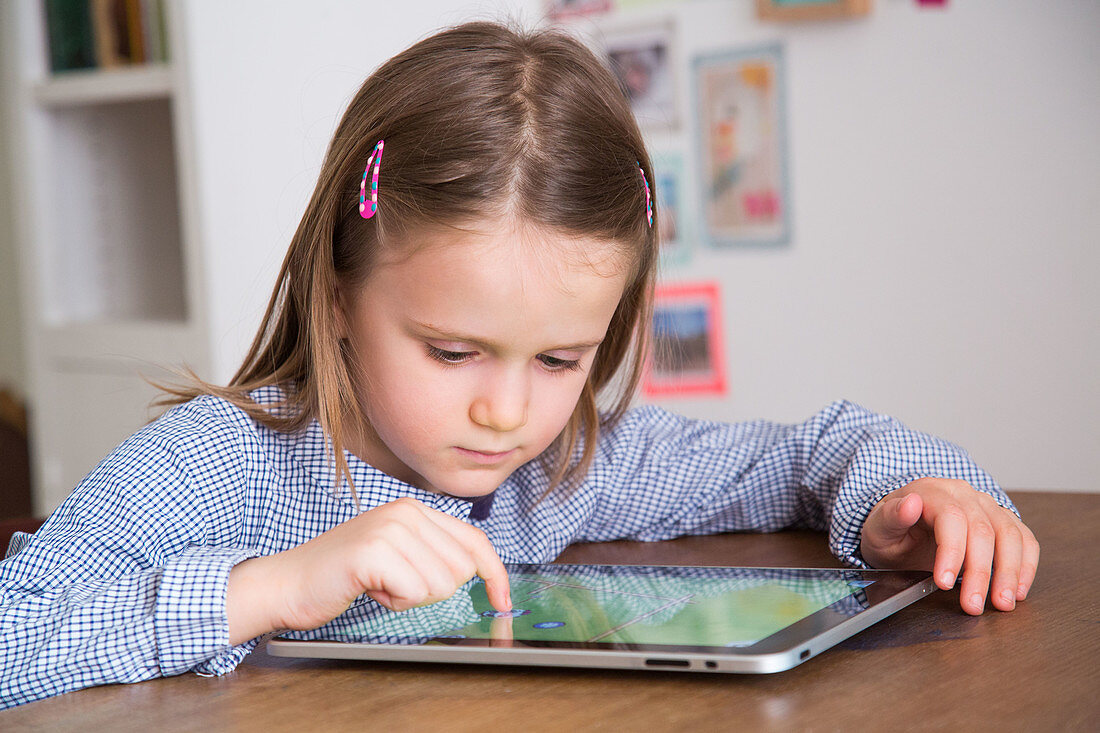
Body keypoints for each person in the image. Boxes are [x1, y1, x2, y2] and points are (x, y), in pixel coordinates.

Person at [0, 21, 1038, 709]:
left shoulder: (568, 462)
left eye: (560, 358)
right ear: (336, 298)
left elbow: (811, 449)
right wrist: (270, 588)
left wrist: (910, 490)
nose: (504, 410)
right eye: (450, 351)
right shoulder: (214, 463)